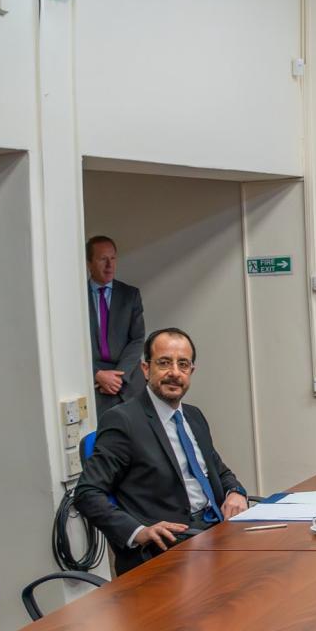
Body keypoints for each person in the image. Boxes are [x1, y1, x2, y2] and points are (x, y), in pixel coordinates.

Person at [76, 327, 249, 573]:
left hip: (216, 533)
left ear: (191, 371)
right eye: (164, 363)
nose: (174, 373)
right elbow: (88, 493)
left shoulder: (193, 416)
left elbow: (217, 470)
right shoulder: (123, 421)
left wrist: (235, 492)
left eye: (183, 364)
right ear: (146, 369)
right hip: (168, 547)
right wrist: (138, 532)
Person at [86, 235, 146, 419]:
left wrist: (119, 376)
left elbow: (137, 339)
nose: (109, 265)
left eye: (113, 258)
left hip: (128, 383)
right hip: (95, 386)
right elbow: (68, 345)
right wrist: (96, 374)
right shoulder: (76, 297)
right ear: (89, 263)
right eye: (103, 259)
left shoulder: (130, 295)